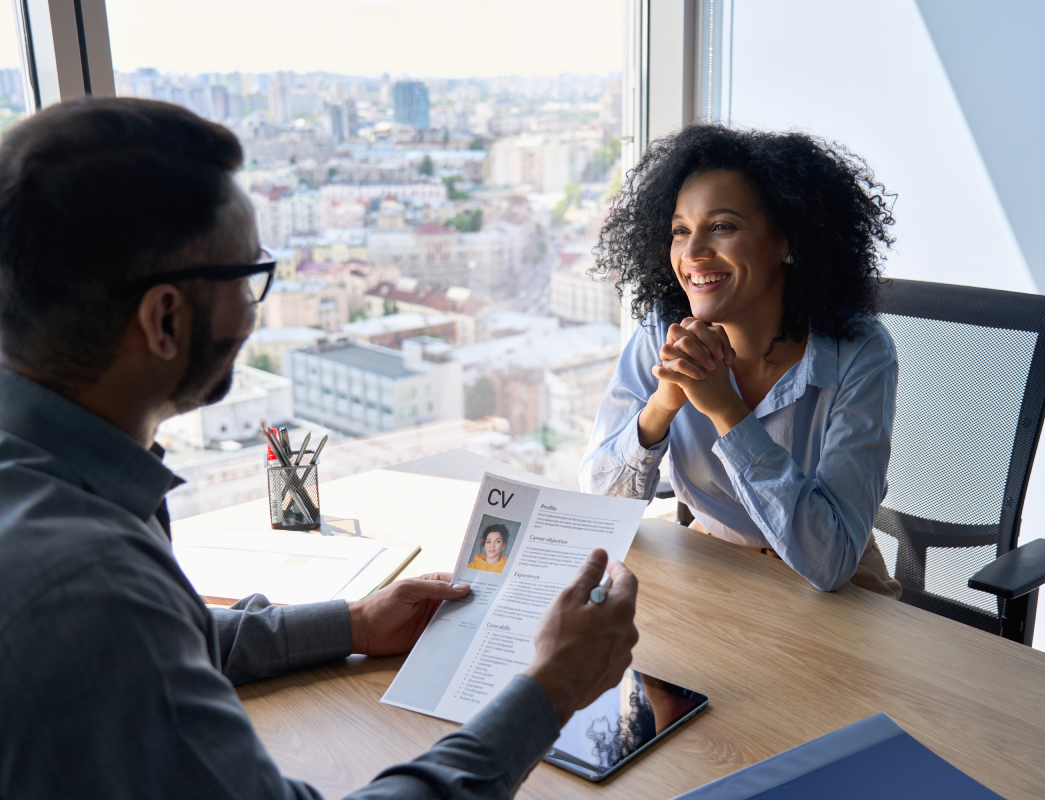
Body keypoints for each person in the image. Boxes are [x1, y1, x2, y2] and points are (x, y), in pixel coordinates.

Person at [0, 98, 639, 800]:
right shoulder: (85, 588)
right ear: (165, 319)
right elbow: (119, 631)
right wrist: (550, 691)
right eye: (248, 278)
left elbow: (155, 645)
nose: (254, 311)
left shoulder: (44, 483)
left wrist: (352, 623)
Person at [581, 124, 901, 598]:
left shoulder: (859, 352)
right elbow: (598, 505)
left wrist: (725, 410)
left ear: (787, 240)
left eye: (722, 227)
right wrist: (662, 405)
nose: (692, 254)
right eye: (680, 231)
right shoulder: (663, 330)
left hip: (837, 592)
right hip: (714, 567)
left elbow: (831, 559)